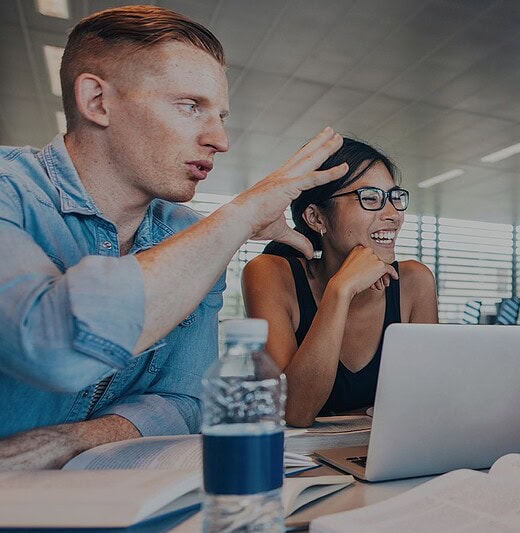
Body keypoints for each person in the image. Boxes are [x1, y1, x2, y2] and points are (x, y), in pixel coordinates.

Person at [0, 5, 345, 469]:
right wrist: (240, 216)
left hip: (101, 504)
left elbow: (188, 398)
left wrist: (72, 441)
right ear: (97, 101)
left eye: (220, 115)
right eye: (190, 106)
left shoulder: (186, 232)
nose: (219, 139)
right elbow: (52, 344)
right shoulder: (9, 191)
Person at [242, 139, 438, 427]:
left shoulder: (414, 281)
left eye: (395, 198)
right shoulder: (270, 274)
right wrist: (341, 290)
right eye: (370, 198)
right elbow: (294, 411)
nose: (393, 214)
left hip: (382, 454)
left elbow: (427, 403)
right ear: (316, 217)